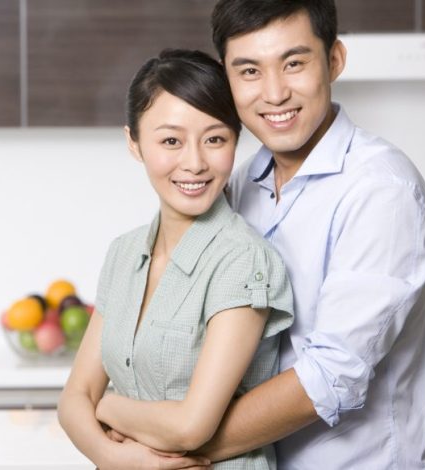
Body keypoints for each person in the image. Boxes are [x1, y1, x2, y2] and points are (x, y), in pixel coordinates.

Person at [187, 1, 425, 468]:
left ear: (335, 60)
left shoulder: (381, 189)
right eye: (249, 71)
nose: (274, 93)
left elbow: (330, 377)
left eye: (294, 63)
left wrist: (181, 445)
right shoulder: (241, 184)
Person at [57, 48, 295, 470]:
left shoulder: (242, 260)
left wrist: (109, 407)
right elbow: (73, 399)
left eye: (215, 139)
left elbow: (191, 426)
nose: (195, 163)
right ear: (134, 143)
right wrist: (116, 458)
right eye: (171, 140)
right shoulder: (124, 254)